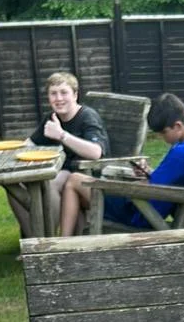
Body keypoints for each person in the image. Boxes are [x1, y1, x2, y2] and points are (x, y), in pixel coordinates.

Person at [59, 91, 184, 236]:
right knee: (81, 196)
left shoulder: (182, 154)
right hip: (144, 206)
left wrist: (129, 186)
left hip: (140, 213)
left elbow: (154, 188)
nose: (161, 137)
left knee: (74, 180)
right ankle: (77, 246)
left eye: (163, 132)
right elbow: (164, 180)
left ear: (177, 126)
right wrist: (148, 173)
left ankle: (63, 243)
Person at [7, 72, 108, 238]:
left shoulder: (87, 117)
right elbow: (29, 144)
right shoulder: (52, 118)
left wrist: (62, 135)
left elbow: (96, 152)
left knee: (50, 183)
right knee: (14, 186)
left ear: (75, 94)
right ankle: (34, 239)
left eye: (64, 92)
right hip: (64, 172)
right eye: (53, 93)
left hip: (88, 177)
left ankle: (49, 239)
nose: (58, 98)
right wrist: (6, 150)